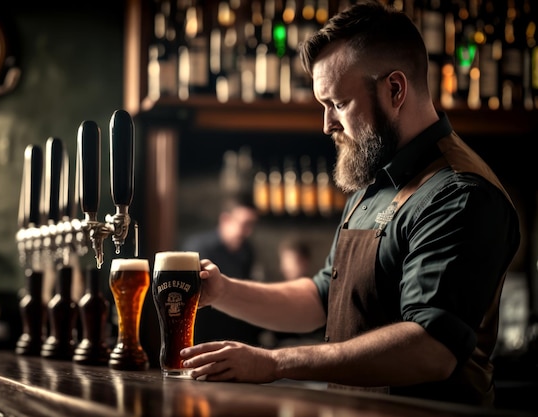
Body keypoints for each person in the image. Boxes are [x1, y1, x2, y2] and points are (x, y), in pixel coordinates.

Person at [179, 2, 521, 408]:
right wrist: (224, 291)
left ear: (395, 89)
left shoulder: (460, 193)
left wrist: (274, 362)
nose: (326, 125)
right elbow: (325, 298)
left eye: (338, 104)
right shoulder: (373, 179)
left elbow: (431, 348)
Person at [180, 191, 263, 346]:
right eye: (245, 224)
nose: (249, 231)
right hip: (204, 335)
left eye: (252, 225)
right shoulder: (199, 248)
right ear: (225, 220)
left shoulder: (247, 250)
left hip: (237, 332)